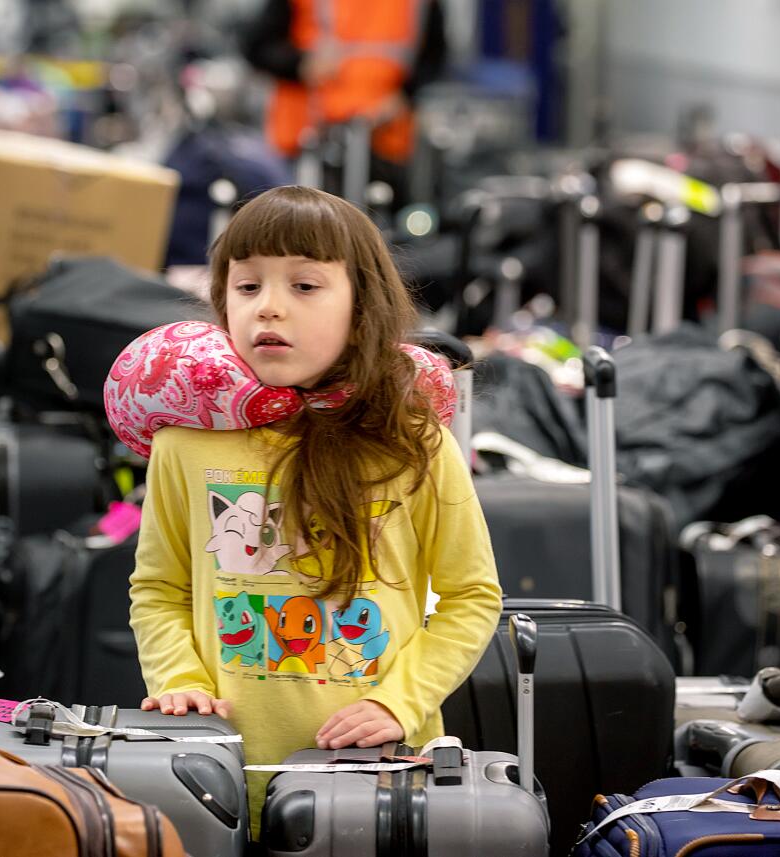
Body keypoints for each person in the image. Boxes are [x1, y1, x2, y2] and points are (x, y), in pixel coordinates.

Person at [128, 185, 501, 833]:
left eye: (304, 286)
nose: (269, 307)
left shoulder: (414, 441)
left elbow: (471, 596)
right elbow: (159, 588)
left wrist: (398, 701)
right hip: (218, 775)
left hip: (379, 773)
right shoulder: (184, 441)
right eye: (247, 287)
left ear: (363, 305)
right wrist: (179, 677)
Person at [242, 0, 447, 204]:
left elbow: (433, 56)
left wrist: (404, 95)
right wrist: (301, 64)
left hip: (384, 143)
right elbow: (259, 47)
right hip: (308, 141)